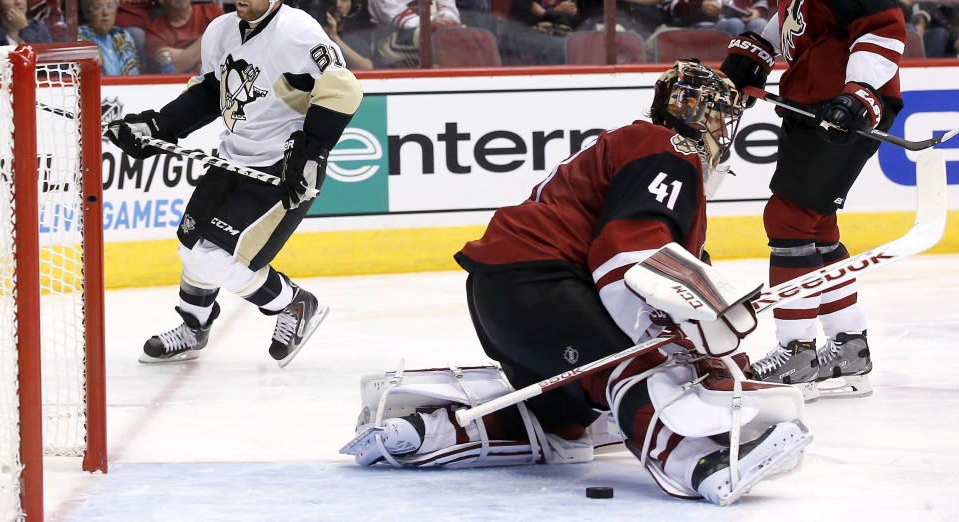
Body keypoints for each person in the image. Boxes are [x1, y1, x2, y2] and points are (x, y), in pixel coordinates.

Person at [343, 62, 813, 506]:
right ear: (699, 113)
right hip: (541, 283)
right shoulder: (669, 150)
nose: (722, 128)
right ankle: (699, 465)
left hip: (506, 294)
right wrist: (666, 344)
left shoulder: (638, 147)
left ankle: (428, 432)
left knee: (563, 422)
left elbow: (662, 264)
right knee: (633, 366)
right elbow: (627, 254)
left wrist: (710, 342)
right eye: (720, 115)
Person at [107, 0, 362, 366]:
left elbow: (343, 89)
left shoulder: (297, 32)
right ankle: (194, 325)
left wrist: (311, 153)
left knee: (213, 255)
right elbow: (212, 91)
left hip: (280, 171)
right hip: (233, 158)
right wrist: (158, 126)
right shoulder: (221, 29)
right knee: (191, 246)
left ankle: (293, 303)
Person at [718, 0, 906, 401]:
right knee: (816, 225)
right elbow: (797, 20)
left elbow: (883, 26)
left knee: (788, 220)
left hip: (846, 105)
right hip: (809, 100)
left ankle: (798, 352)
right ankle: (848, 351)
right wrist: (755, 49)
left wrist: (857, 95)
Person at [145, 0, 223, 74]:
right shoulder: (155, 32)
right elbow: (171, 69)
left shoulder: (212, 11)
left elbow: (231, 51)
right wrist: (212, 38)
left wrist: (182, 54)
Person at [77, 0, 142, 76]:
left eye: (110, 6)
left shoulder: (123, 36)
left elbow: (133, 73)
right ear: (87, 13)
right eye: (98, 7)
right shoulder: (79, 38)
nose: (106, 13)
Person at [321, 0, 374, 70]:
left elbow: (367, 68)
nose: (338, 4)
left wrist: (335, 38)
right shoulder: (308, 31)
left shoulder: (356, 39)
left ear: (352, 5)